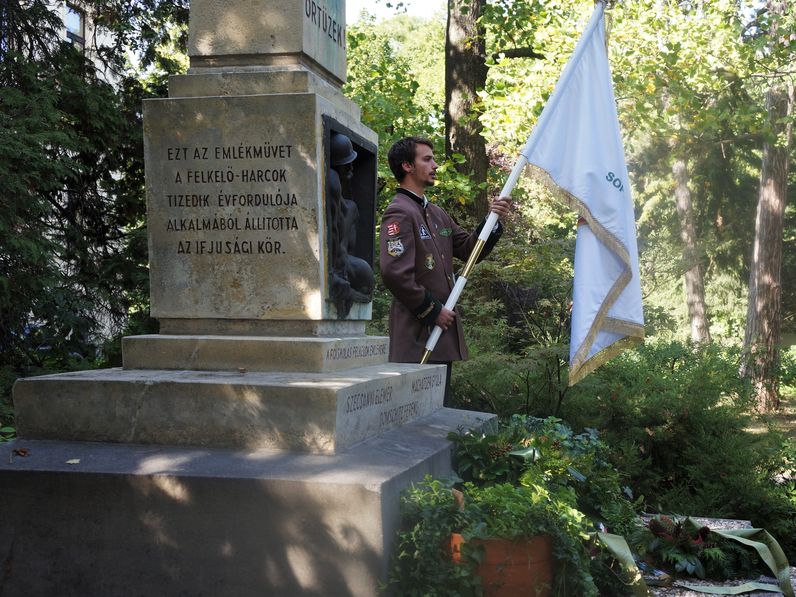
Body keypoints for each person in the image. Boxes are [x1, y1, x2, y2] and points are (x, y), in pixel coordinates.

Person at [380, 136, 511, 406]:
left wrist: (492, 221)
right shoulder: (399, 212)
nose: (435, 165)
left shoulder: (437, 213)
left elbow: (468, 249)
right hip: (416, 334)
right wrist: (433, 310)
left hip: (440, 334)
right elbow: (395, 273)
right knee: (414, 416)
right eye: (427, 159)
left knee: (437, 411)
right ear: (407, 166)